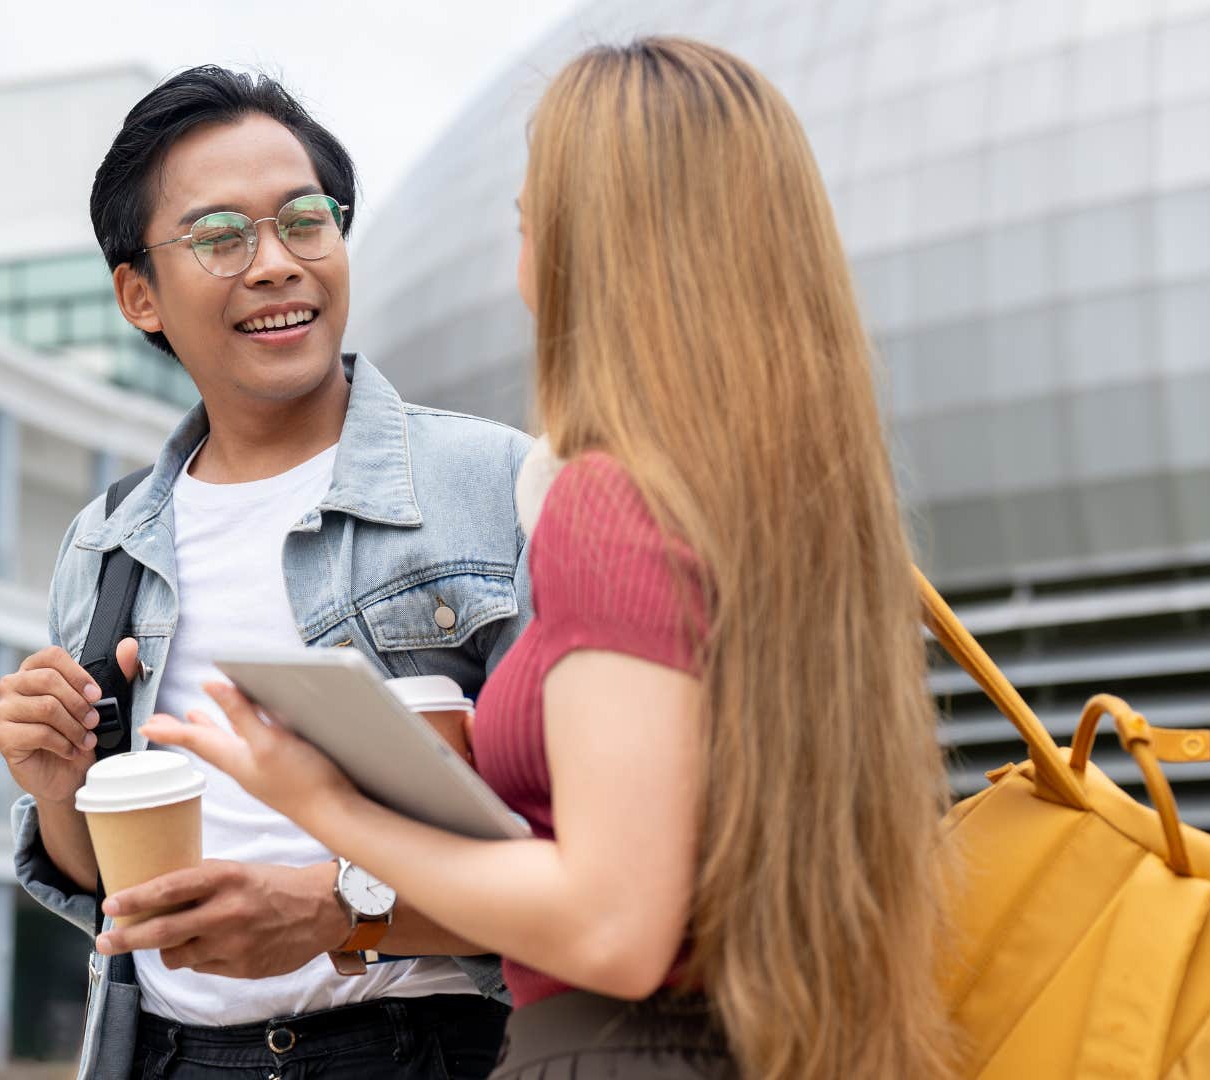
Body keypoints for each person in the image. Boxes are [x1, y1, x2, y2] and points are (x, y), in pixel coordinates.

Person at [139, 38, 956, 1080]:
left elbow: (612, 927)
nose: (517, 266)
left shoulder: (605, 506)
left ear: (591, 249)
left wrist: (325, 805)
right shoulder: (799, 513)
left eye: (529, 225)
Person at [0, 66, 529, 1079]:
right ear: (138, 295)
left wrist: (339, 910)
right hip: (171, 1057)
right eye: (221, 237)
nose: (277, 264)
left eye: (305, 221)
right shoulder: (106, 541)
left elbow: (580, 857)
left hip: (424, 1049)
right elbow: (106, 884)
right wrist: (60, 791)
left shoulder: (494, 481)